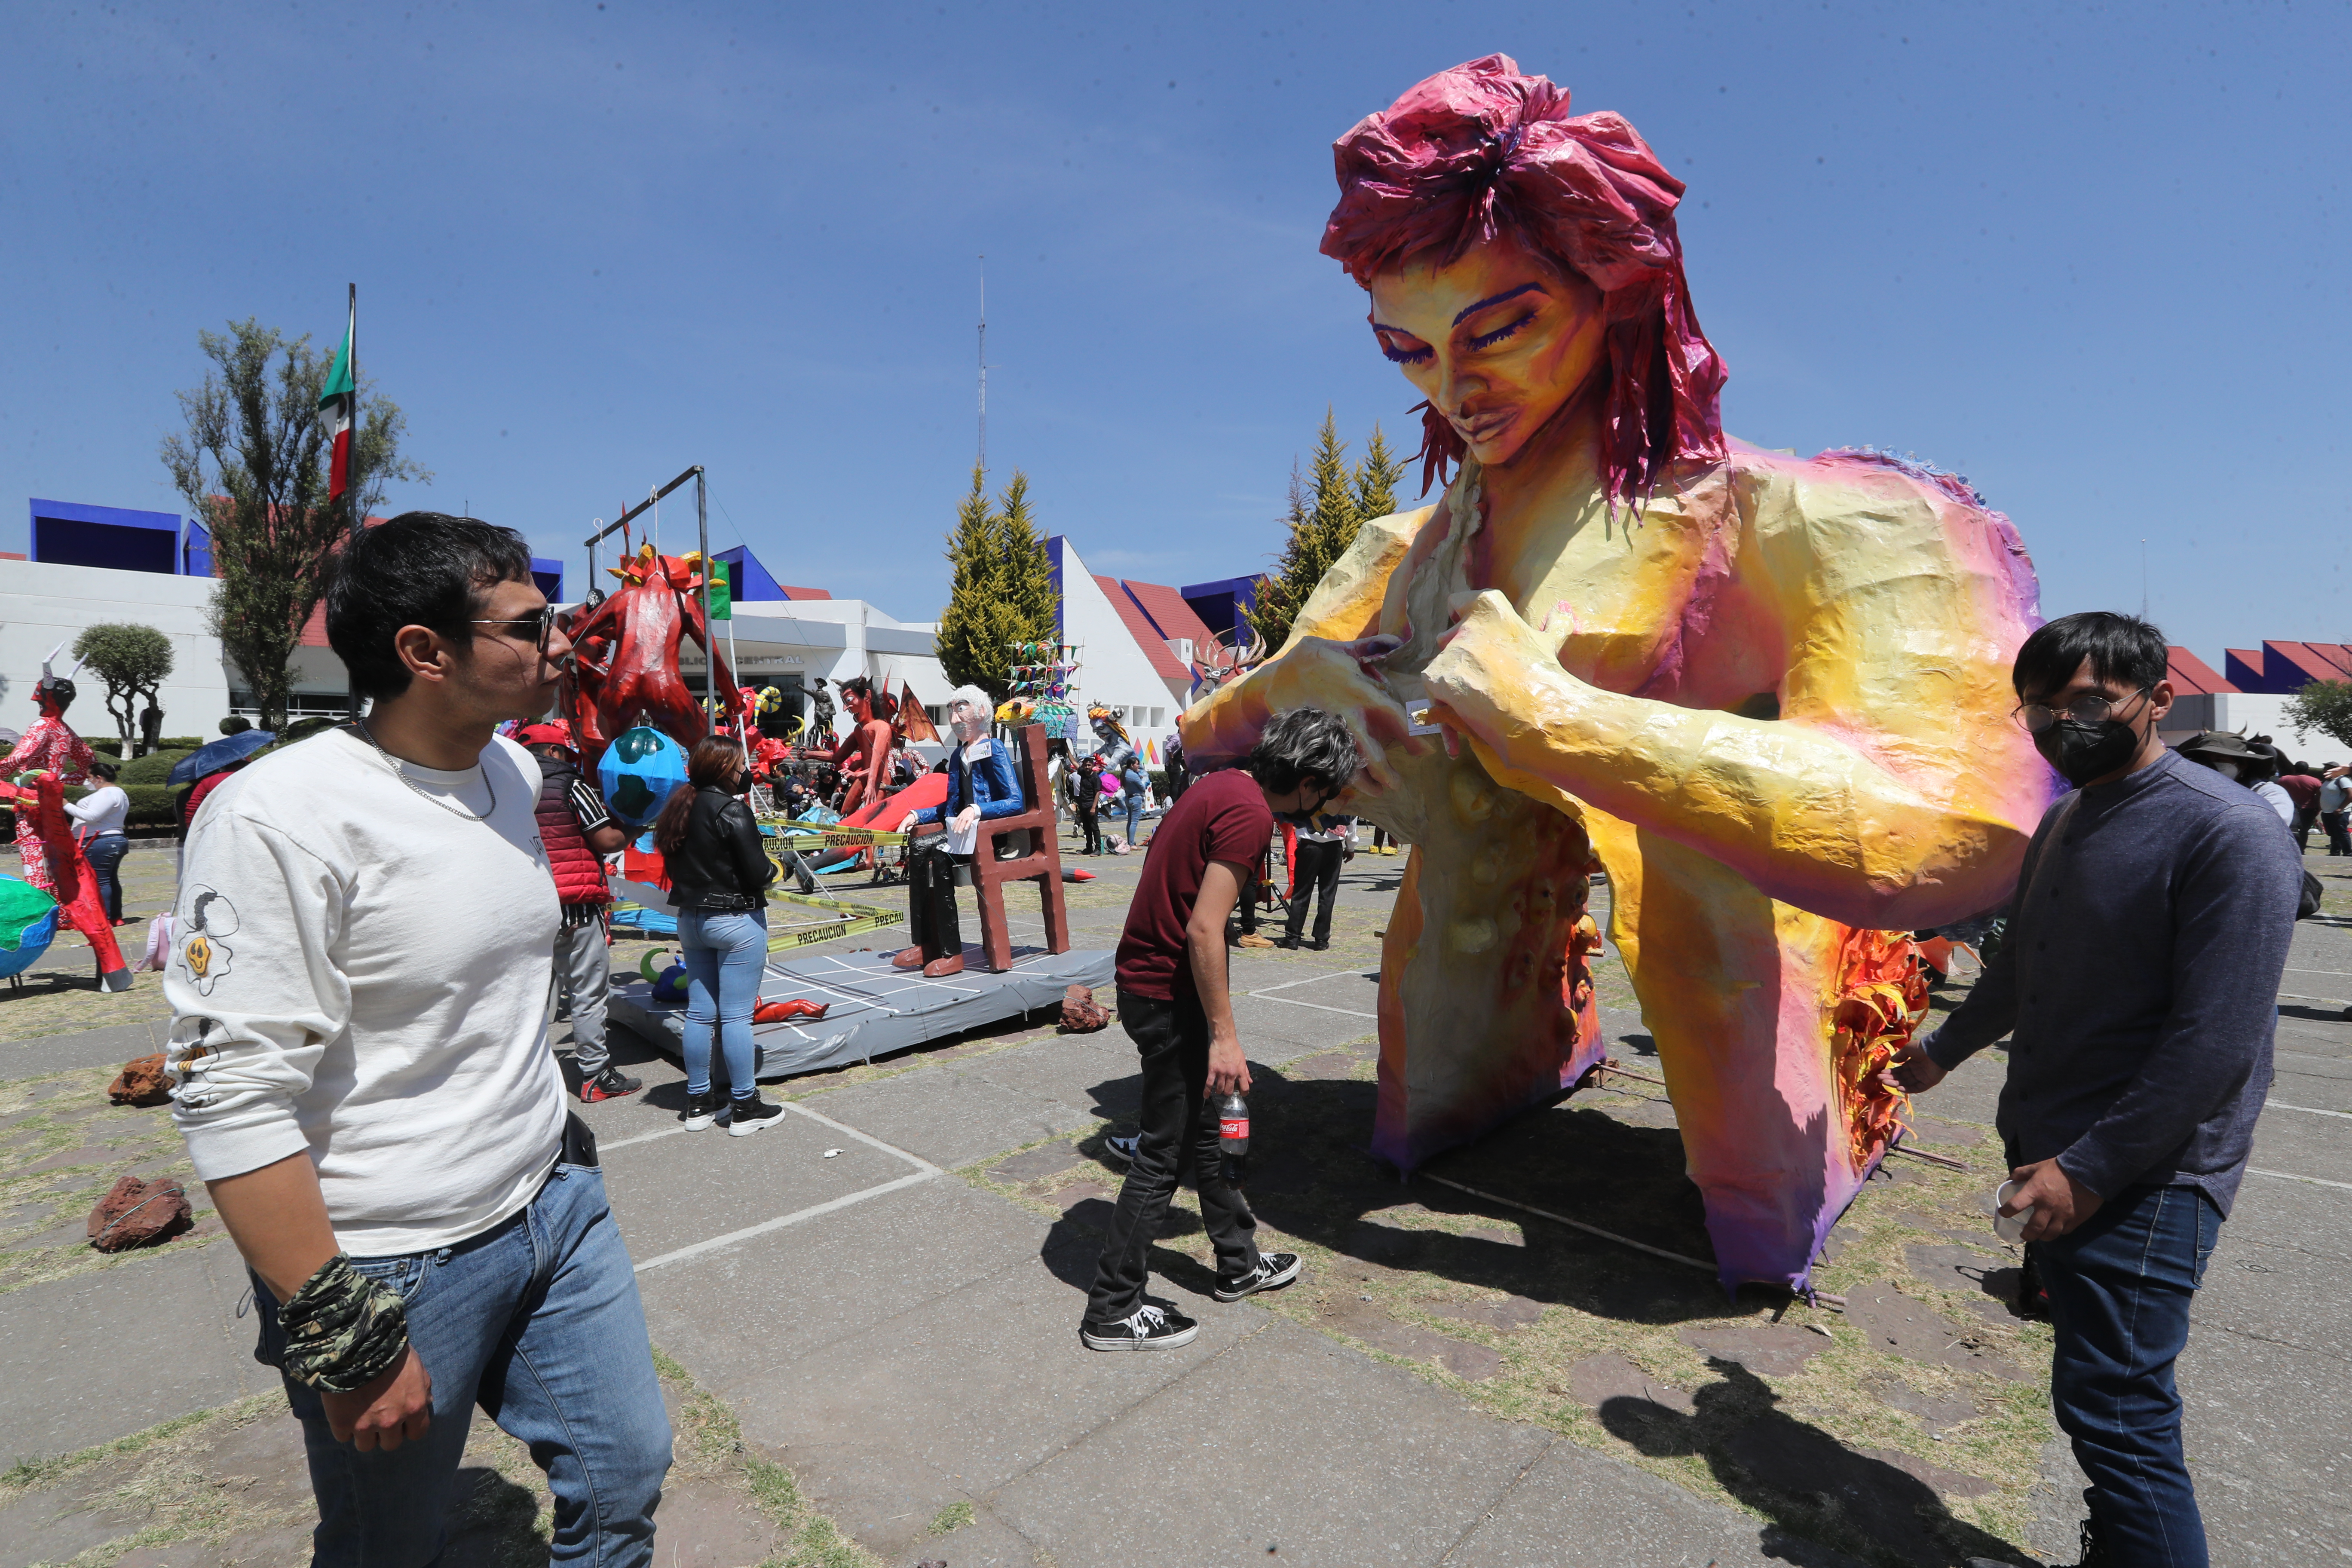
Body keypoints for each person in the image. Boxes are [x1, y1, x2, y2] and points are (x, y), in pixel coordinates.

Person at [160, 512, 671, 1568]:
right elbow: (226, 1091)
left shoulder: (516, 780)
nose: (562, 643)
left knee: (626, 1475)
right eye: (531, 626)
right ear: (424, 653)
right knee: (386, 1547)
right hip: (390, 1261)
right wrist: (343, 1335)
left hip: (554, 1205)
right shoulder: (280, 818)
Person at [1888, 611, 2300, 1568]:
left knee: (2120, 1416)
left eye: (2087, 702)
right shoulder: (2067, 819)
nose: (2058, 723)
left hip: (2145, 1175)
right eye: (2039, 705)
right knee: (2100, 1400)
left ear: (2157, 700)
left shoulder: (2228, 835)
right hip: (2056, 1145)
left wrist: (2092, 1168)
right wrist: (1944, 1051)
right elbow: (2016, 967)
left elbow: (2216, 1042)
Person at [1080, 708, 1357, 1350]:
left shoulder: (1222, 785)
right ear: (1308, 777)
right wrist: (1226, 1038)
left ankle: (1237, 1262)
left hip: (1154, 987)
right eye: (1326, 791)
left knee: (1212, 1135)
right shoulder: (1251, 812)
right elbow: (1204, 928)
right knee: (1161, 1153)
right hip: (1165, 997)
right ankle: (1113, 1309)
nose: (1321, 808)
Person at [654, 735, 785, 1134]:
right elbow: (759, 872)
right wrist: (785, 866)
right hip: (735, 921)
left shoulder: (679, 807)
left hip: (691, 919)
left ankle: (699, 1101)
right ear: (726, 768)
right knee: (736, 1018)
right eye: (742, 764)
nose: (747, 770)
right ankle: (745, 1104)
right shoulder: (732, 811)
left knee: (699, 1012)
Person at [518, 726, 638, 1102]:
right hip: (575, 906)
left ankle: (528, 1077)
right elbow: (607, 841)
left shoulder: (505, 787)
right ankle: (595, 1076)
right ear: (554, 752)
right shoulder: (570, 785)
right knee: (587, 993)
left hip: (523, 905)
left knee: (527, 997)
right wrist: (636, 824)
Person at [892, 686, 1023, 978]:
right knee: (917, 848)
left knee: (937, 855)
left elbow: (1014, 802)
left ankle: (952, 952)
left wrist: (977, 810)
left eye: (960, 708)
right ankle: (926, 942)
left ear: (981, 713)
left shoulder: (994, 749)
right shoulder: (958, 756)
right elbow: (950, 808)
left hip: (990, 834)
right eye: (951, 710)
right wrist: (918, 814)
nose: (953, 718)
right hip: (960, 833)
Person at [3, 670, 95, 895]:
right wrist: (61, 779)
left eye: (41, 697)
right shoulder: (66, 732)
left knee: (33, 852)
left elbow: (20, 757)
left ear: (49, 698)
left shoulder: (41, 726)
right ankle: (61, 908)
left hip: (31, 801)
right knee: (55, 854)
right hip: (54, 801)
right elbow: (90, 766)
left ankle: (41, 908)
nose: (37, 700)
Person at [2175, 731, 2296, 828]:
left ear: (2243, 764)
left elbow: (2265, 830)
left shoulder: (2269, 793)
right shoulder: (2187, 793)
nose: (2211, 766)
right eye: (2203, 760)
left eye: (2220, 760)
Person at [64, 756, 131, 924]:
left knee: (101, 881)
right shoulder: (116, 793)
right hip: (111, 840)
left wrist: (65, 804)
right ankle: (115, 916)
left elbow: (92, 816)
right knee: (110, 880)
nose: (88, 781)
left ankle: (105, 918)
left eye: (89, 777)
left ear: (99, 778)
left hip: (101, 840)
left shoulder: (108, 793)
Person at [1278, 808, 1351, 951]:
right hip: (1334, 845)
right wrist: (1351, 845)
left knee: (1302, 892)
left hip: (1310, 844)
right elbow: (1351, 820)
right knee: (1327, 893)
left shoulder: (1309, 793)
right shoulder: (1342, 796)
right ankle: (1321, 939)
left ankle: (1293, 937)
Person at [2278, 762, 2321, 851]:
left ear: (2294, 769)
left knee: (2288, 828)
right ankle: (2301, 849)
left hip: (2289, 807)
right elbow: (2318, 797)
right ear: (2307, 770)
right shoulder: (2315, 781)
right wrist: (2318, 808)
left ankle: (2288, 848)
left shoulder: (2284, 780)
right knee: (2304, 830)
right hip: (2308, 808)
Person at [1073, 754, 1105, 855]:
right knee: (1086, 828)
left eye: (1089, 765)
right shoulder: (1083, 773)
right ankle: (1089, 848)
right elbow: (1074, 763)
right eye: (1086, 765)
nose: (1087, 767)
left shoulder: (1095, 778)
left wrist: (1094, 808)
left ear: (1093, 766)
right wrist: (1066, 747)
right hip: (1083, 805)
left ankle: (1098, 849)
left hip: (1091, 806)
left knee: (1094, 828)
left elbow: (1097, 793)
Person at [2321, 764, 2352, 856]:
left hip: (2340, 812)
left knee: (2341, 832)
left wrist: (2341, 808)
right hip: (2327, 811)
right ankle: (2335, 851)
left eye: (2327, 768)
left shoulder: (2342, 780)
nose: (2325, 770)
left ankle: (2348, 852)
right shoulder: (2327, 781)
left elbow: (2350, 795)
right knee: (2333, 833)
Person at [1120, 757, 1148, 848]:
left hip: (1128, 798)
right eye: (1137, 764)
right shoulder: (1134, 775)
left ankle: (1130, 841)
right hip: (1136, 799)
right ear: (1132, 765)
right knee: (1134, 822)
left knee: (1130, 821)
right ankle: (1131, 844)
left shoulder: (1126, 774)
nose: (1138, 766)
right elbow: (1142, 787)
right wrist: (1142, 780)